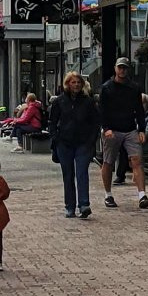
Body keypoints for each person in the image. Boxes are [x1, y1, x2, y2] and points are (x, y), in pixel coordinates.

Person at [99, 57, 148, 209]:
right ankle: (108, 194)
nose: (122, 70)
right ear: (115, 68)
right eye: (120, 67)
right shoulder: (107, 88)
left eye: (125, 68)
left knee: (137, 160)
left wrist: (141, 129)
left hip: (130, 128)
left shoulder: (134, 88)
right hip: (112, 129)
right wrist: (106, 128)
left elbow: (139, 110)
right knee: (108, 161)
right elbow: (102, 110)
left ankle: (142, 195)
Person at [49, 71, 100, 218]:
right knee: (68, 174)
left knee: (82, 173)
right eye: (73, 82)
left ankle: (84, 204)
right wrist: (55, 138)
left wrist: (91, 139)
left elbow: (95, 122)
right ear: (67, 84)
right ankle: (70, 206)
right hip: (64, 143)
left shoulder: (88, 102)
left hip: (83, 142)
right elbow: (52, 122)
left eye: (78, 82)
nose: (76, 85)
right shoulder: (59, 101)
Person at [115, 93, 148, 186]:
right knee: (121, 147)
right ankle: (120, 175)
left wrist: (134, 136)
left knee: (125, 149)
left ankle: (121, 176)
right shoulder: (135, 114)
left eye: (141, 103)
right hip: (135, 142)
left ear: (147, 103)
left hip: (147, 144)